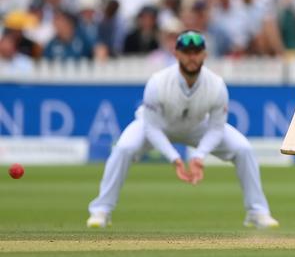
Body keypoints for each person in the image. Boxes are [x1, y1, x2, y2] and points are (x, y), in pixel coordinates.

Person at [87, 30, 279, 229]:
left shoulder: (216, 85)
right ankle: (101, 210)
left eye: (196, 52)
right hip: (158, 125)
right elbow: (151, 128)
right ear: (176, 54)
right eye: (187, 52)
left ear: (205, 55)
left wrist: (199, 156)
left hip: (197, 126)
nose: (192, 57)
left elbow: (216, 128)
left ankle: (257, 212)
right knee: (124, 148)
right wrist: (174, 158)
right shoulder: (158, 82)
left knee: (243, 149)